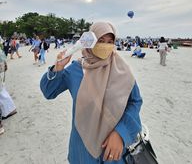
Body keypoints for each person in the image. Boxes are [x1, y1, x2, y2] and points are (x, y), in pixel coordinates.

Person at [40, 22, 143, 163]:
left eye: (110, 42)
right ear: (90, 41)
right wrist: (58, 67)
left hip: (113, 150)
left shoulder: (122, 70)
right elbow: (48, 92)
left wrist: (121, 133)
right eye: (100, 41)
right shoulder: (76, 69)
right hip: (82, 149)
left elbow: (135, 101)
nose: (105, 45)